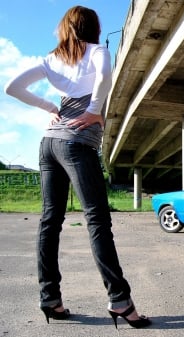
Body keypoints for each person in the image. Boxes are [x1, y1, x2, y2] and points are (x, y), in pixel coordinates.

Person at [4, 6, 151, 329]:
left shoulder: (51, 59)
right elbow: (104, 77)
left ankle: (50, 300)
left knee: (50, 221)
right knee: (97, 220)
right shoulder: (98, 51)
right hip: (77, 144)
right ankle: (121, 302)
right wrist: (95, 110)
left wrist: (50, 107)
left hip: (48, 145)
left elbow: (11, 88)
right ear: (94, 28)